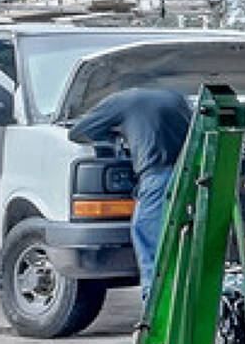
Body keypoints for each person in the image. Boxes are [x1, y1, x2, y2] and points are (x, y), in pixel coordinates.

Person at [66, 86, 194, 287]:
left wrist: (115, 135)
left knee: (150, 242)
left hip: (157, 178)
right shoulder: (177, 98)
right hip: (192, 177)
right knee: (184, 244)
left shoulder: (119, 101)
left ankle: (153, 303)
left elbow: (78, 132)